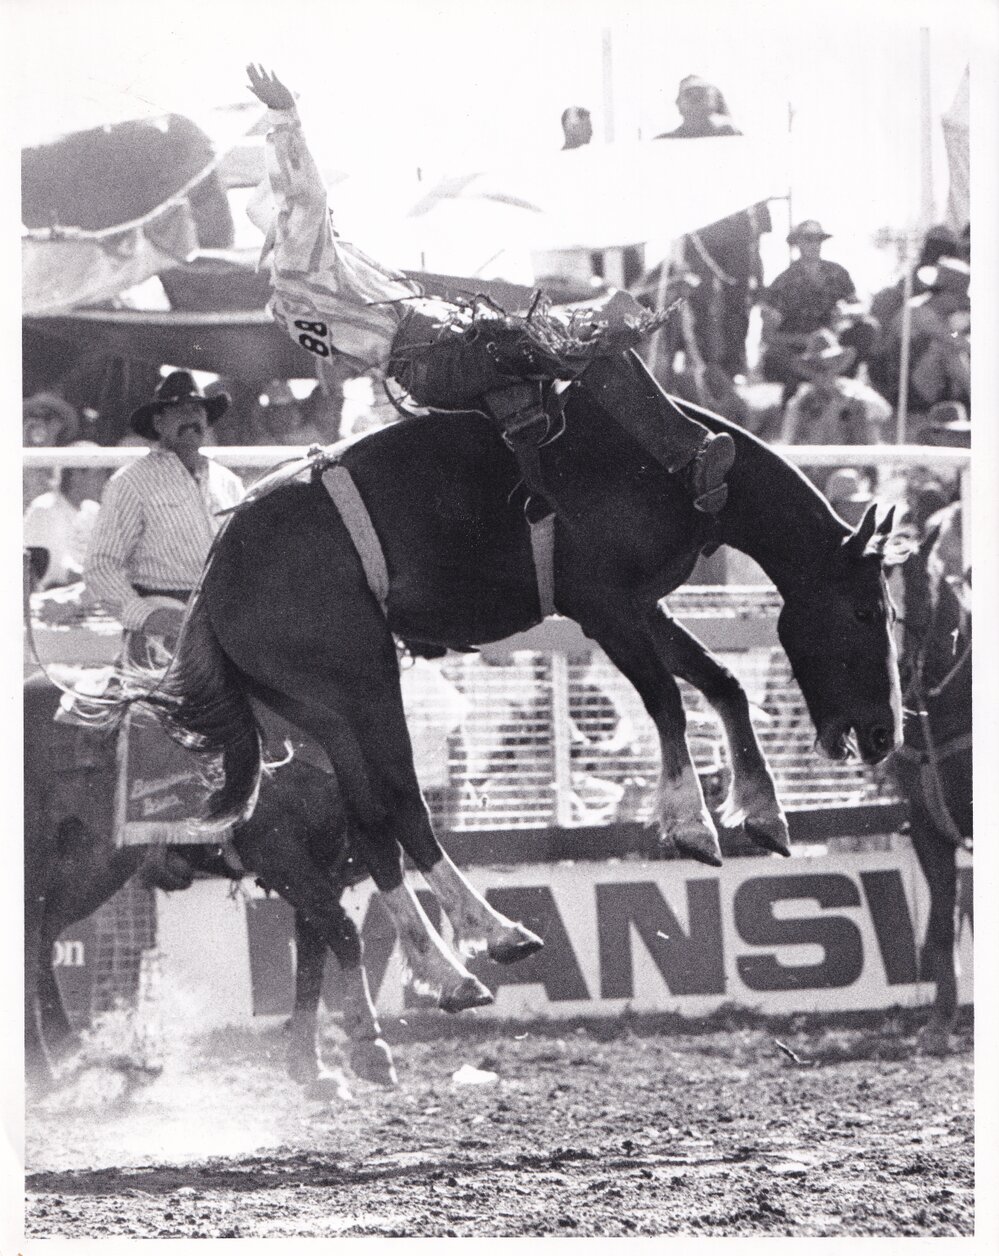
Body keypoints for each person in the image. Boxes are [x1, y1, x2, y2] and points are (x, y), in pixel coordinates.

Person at [244, 64, 735, 514]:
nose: (328, 217)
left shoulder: (287, 301)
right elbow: (306, 195)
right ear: (284, 222)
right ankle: (687, 458)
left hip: (423, 364)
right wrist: (286, 116)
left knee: (569, 345)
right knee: (593, 344)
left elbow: (342, 363)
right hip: (440, 352)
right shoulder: (303, 256)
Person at [84, 370, 244, 660]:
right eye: (178, 411)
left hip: (220, 624)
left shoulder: (228, 482)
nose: (190, 418)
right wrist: (146, 615)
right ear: (158, 422)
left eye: (196, 409)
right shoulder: (131, 483)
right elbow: (101, 565)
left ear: (207, 420)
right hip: (161, 628)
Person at [653, 75, 770, 378]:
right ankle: (705, 366)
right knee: (698, 300)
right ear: (679, 103)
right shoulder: (670, 142)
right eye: (689, 97)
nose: (696, 103)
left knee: (737, 301)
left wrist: (758, 228)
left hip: (733, 231)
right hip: (696, 234)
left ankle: (733, 365)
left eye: (701, 96)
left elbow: (754, 179)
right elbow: (650, 163)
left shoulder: (730, 134)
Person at [758, 219, 874, 394]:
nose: (814, 244)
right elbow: (768, 335)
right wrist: (805, 339)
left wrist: (846, 312)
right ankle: (819, 375)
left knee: (867, 329)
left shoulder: (836, 273)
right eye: (808, 239)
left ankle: (839, 376)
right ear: (797, 243)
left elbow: (860, 307)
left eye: (818, 239)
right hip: (800, 348)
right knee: (776, 357)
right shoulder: (783, 282)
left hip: (833, 345)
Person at [868, 256, 970, 414]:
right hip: (899, 390)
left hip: (909, 385)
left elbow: (955, 337)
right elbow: (955, 341)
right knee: (947, 348)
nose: (960, 303)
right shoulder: (921, 312)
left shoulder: (927, 310)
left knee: (949, 348)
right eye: (959, 297)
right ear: (946, 294)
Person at [778, 328, 891, 447]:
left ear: (837, 366)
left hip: (851, 459)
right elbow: (789, 441)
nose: (824, 373)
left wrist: (848, 400)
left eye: (830, 365)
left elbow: (884, 412)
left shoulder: (854, 390)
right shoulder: (801, 402)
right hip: (815, 460)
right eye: (818, 367)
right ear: (810, 371)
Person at [23, 442, 108, 590]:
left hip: (90, 594)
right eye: (97, 474)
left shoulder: (94, 511)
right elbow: (53, 569)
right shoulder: (44, 509)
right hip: (53, 598)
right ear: (75, 476)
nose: (103, 481)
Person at [654, 75, 741, 139]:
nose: (695, 99)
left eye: (701, 94)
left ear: (715, 102)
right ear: (678, 103)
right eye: (689, 94)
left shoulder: (730, 135)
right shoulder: (664, 142)